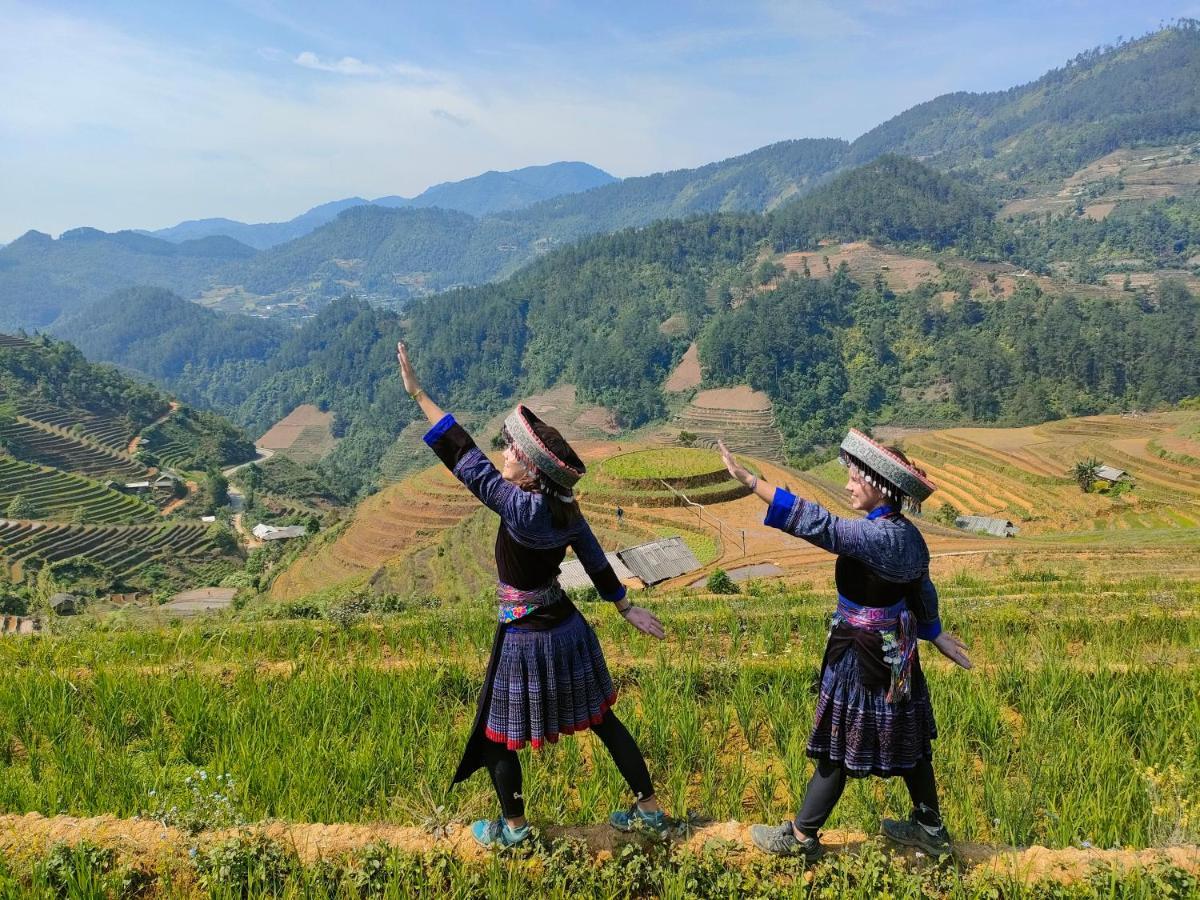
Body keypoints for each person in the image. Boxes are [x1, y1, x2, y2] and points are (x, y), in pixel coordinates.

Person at [397, 342, 670, 848]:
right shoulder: (567, 509)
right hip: (567, 628)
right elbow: (595, 561)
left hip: (525, 636)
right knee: (603, 721)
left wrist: (419, 395)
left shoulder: (518, 507)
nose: (504, 455)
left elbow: (463, 455)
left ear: (530, 472)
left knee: (496, 730)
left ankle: (515, 829)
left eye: (512, 453)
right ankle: (650, 809)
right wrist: (626, 607)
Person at [717, 430, 972, 861]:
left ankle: (801, 837)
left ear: (881, 486)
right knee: (908, 743)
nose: (849, 485)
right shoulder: (909, 536)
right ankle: (930, 828)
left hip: (862, 658)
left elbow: (819, 524)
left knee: (838, 746)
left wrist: (751, 482)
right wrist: (934, 632)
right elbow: (922, 589)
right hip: (897, 655)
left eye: (856, 478)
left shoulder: (875, 538)